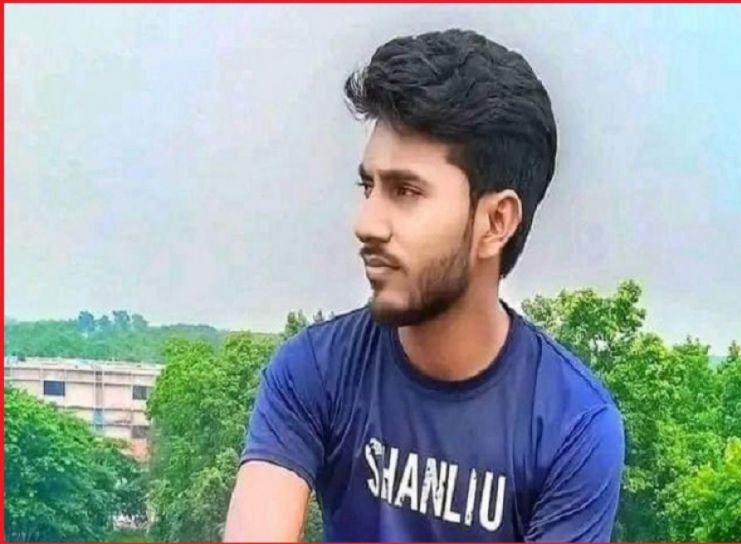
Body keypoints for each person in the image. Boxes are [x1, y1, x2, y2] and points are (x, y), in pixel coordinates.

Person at [224, 28, 624, 542]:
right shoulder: (315, 371)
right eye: (368, 186)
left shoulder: (572, 425)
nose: (367, 223)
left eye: (406, 191)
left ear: (496, 221)